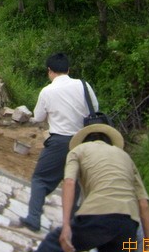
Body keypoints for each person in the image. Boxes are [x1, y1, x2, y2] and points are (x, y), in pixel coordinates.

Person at [30, 124, 149, 252]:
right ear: (110, 142)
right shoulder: (126, 157)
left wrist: (66, 226)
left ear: (84, 140)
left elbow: (69, 182)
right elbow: (143, 203)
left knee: (46, 251)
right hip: (128, 224)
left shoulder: (78, 150)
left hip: (98, 214)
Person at [21, 53, 98, 232]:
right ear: (68, 70)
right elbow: (95, 109)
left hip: (60, 141)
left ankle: (33, 218)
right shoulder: (84, 85)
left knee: (40, 179)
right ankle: (71, 224)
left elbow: (39, 116)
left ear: (49, 71)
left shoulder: (48, 91)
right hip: (84, 140)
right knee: (74, 181)